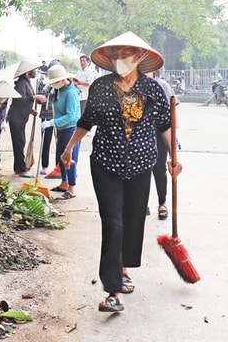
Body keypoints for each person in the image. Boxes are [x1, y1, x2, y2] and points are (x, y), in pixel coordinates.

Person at [60, 31, 182, 313]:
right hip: (106, 163)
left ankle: (123, 270)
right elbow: (86, 121)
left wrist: (175, 158)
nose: (119, 59)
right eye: (115, 55)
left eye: (125, 54)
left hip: (141, 164)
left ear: (139, 57)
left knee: (133, 219)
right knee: (113, 222)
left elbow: (165, 125)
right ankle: (113, 289)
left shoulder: (153, 90)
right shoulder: (102, 87)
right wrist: (68, 149)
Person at [42, 64, 81, 199]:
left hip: (71, 129)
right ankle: (64, 183)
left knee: (69, 159)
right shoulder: (58, 90)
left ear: (62, 80)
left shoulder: (71, 92)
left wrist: (53, 122)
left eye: (54, 82)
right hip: (61, 129)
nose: (53, 84)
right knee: (60, 156)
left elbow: (71, 115)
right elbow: (53, 101)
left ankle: (71, 188)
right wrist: (49, 91)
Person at [146, 70, 180, 220]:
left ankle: (162, 203)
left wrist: (174, 134)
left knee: (159, 168)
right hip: (141, 135)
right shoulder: (133, 85)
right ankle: (142, 204)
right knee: (142, 171)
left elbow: (172, 111)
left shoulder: (163, 85)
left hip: (160, 133)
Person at [8, 60, 47, 177]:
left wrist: (31, 110)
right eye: (33, 70)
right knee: (19, 143)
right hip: (16, 118)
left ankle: (18, 167)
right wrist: (35, 97)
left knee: (21, 142)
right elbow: (19, 100)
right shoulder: (21, 83)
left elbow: (24, 100)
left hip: (21, 117)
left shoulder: (27, 82)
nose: (35, 72)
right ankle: (21, 169)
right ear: (27, 73)